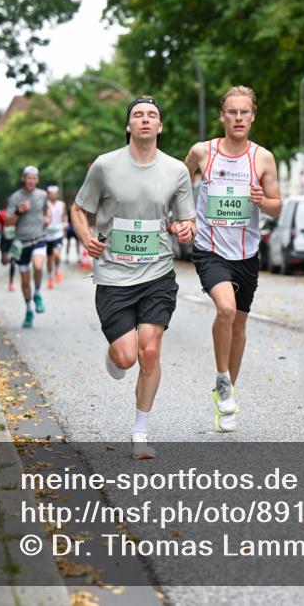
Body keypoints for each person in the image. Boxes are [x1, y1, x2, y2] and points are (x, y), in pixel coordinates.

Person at [71, 95, 195, 459]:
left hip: (157, 272)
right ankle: (115, 356)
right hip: (113, 275)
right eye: (138, 115)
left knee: (150, 351)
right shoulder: (105, 167)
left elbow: (186, 219)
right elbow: (79, 209)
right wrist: (86, 238)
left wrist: (186, 230)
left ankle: (140, 432)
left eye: (152, 115)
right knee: (127, 358)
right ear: (129, 125)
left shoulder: (176, 170)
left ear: (160, 126)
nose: (144, 120)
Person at [183, 85, 282, 432]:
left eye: (244, 112)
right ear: (222, 116)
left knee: (238, 326)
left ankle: (227, 391)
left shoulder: (263, 158)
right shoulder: (202, 152)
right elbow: (183, 182)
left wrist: (260, 200)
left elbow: (276, 205)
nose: (238, 118)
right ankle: (222, 379)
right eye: (232, 112)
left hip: (247, 253)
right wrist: (185, 217)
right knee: (224, 309)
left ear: (252, 116)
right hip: (210, 249)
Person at [5, 166, 50, 328]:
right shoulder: (15, 198)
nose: (31, 181)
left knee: (38, 266)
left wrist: (47, 218)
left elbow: (47, 211)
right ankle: (29, 309)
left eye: (34, 178)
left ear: (37, 180)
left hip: (38, 238)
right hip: (21, 242)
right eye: (28, 178)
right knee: (24, 281)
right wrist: (18, 211)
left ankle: (37, 293)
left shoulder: (42, 195)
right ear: (23, 179)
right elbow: (8, 222)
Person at [44, 185, 67, 288]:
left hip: (58, 232)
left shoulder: (62, 204)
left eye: (54, 194)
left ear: (57, 194)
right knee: (49, 258)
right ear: (48, 194)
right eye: (51, 194)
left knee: (56, 254)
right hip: (48, 234)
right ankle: (49, 277)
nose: (53, 195)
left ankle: (57, 270)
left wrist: (66, 222)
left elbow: (65, 215)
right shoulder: (45, 205)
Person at [0, 207, 17, 291]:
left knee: (13, 262)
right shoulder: (2, 213)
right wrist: (1, 233)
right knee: (5, 262)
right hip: (4, 240)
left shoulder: (18, 212)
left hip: (14, 240)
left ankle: (11, 283)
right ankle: (4, 258)